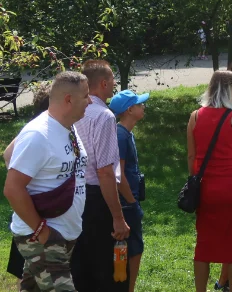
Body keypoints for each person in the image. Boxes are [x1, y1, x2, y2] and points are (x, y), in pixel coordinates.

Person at [3, 72, 90, 292]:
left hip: (64, 233)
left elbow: (8, 153)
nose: (90, 101)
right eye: (86, 96)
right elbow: (12, 188)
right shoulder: (38, 134)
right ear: (69, 99)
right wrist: (42, 230)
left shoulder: (68, 126)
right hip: (42, 235)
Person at [186, 70, 232, 292]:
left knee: (203, 244)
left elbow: (192, 157)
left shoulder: (194, 116)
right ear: (227, 88)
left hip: (206, 189)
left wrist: (195, 182)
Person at [73, 60, 130, 292]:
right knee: (105, 268)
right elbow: (105, 171)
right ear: (103, 83)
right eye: (113, 83)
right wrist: (118, 217)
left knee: (81, 265)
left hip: (74, 195)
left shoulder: (74, 111)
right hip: (98, 198)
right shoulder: (104, 116)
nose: (113, 87)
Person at [4, 83, 51, 288]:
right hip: (34, 217)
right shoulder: (38, 130)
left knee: (30, 278)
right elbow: (8, 155)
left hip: (32, 216)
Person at [110, 90, 150, 292]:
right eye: (139, 104)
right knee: (133, 249)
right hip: (126, 202)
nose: (143, 106)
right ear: (129, 109)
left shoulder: (126, 134)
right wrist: (132, 203)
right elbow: (118, 175)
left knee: (135, 248)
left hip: (130, 199)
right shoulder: (119, 136)